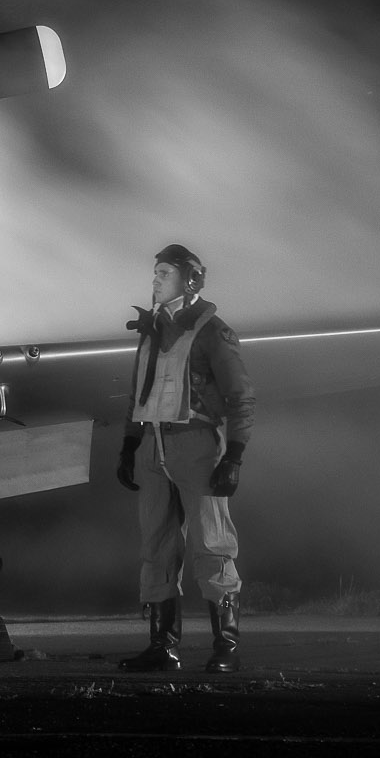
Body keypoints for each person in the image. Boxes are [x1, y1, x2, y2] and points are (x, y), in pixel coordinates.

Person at [115, 243, 253, 673]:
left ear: (190, 281)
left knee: (212, 545)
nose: (155, 279)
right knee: (156, 547)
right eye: (155, 272)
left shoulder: (213, 332)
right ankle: (162, 647)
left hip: (195, 445)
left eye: (164, 273)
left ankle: (226, 647)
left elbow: (240, 397)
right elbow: (139, 393)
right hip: (152, 444)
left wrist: (234, 455)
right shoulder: (152, 329)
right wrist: (129, 444)